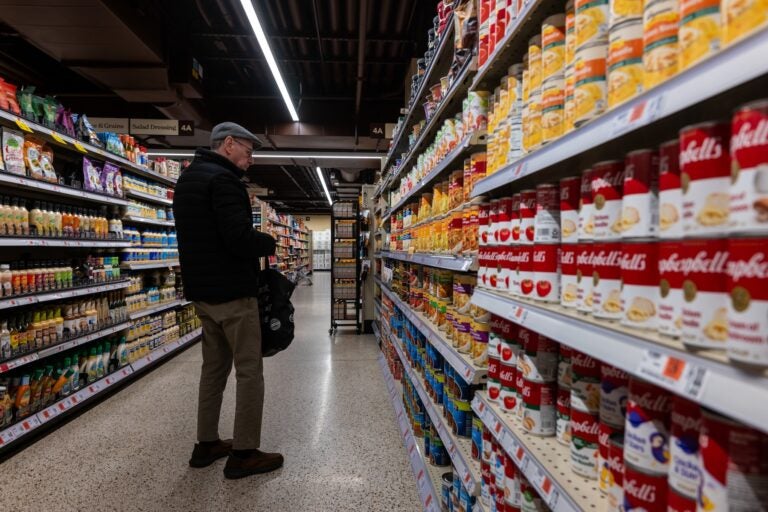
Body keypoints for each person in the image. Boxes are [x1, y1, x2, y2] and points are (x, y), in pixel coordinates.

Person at [173, 122, 283, 479]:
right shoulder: (224, 182)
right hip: (232, 293)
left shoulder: (188, 180)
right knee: (249, 370)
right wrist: (266, 242)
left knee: (213, 369)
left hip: (203, 292)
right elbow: (237, 238)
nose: (250, 160)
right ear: (229, 144)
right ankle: (245, 453)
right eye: (249, 152)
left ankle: (206, 444)